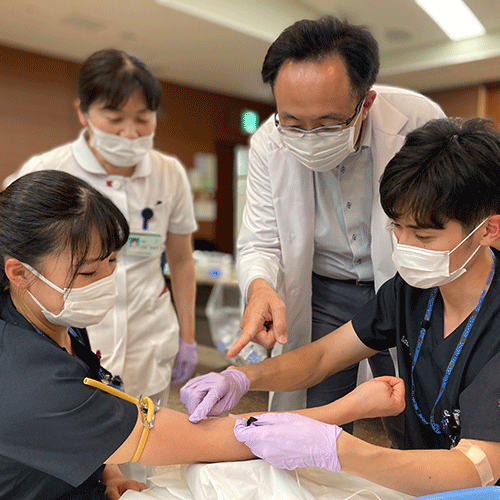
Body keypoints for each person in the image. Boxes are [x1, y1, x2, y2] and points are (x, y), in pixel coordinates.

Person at [0, 169, 406, 500]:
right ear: (19, 273)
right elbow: (208, 441)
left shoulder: (53, 317)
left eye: (111, 262)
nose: (107, 280)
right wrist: (346, 408)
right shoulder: (28, 377)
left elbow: (99, 418)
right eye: (89, 273)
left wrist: (106, 470)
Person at [181, 117, 500, 496]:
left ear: (487, 229)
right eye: (395, 228)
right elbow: (323, 357)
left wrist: (341, 449)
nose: (403, 245)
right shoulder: (413, 291)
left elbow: (476, 466)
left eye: (423, 236)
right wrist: (243, 378)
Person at [231, 15, 446, 418]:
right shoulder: (267, 144)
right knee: (319, 408)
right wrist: (260, 287)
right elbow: (261, 240)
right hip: (325, 291)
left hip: (407, 283)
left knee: (416, 401)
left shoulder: (419, 121)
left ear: (366, 102)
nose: (309, 136)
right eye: (293, 123)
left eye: (328, 123)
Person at [3, 49, 198, 481]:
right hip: (70, 332)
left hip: (150, 330)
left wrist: (187, 336)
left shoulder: (169, 174)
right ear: (83, 112)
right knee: (79, 452)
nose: (130, 133)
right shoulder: (48, 171)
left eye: (144, 119)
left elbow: (182, 262)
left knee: (149, 450)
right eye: (114, 118)